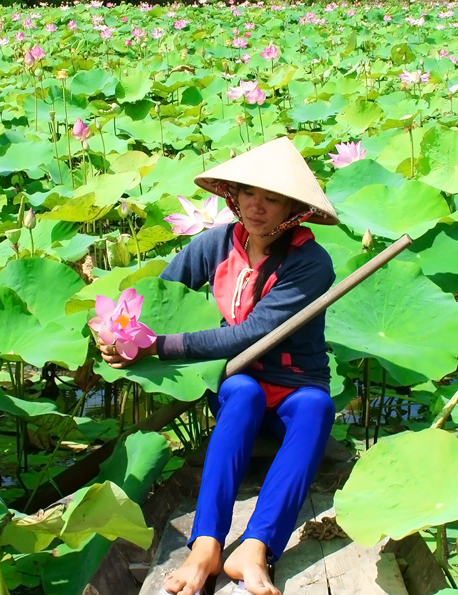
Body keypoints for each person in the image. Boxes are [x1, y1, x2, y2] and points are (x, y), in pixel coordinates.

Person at [95, 137, 340, 595]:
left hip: (294, 384)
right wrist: (119, 335)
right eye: (249, 193)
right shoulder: (212, 245)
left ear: (293, 208)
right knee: (243, 392)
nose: (257, 206)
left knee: (316, 408)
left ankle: (257, 547)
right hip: (236, 382)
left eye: (271, 198)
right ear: (233, 195)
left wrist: (158, 348)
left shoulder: (311, 263)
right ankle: (206, 543)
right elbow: (160, 304)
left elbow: (252, 333)